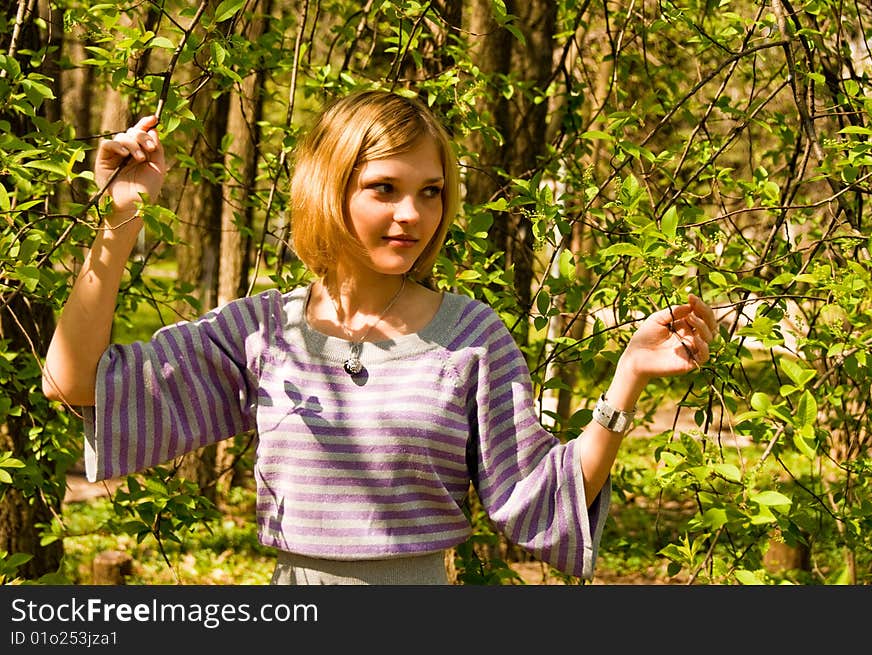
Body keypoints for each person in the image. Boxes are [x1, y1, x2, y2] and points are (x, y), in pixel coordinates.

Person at [42, 89, 718, 585]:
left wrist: (626, 379)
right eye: (384, 188)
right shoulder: (262, 332)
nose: (411, 214)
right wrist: (120, 217)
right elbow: (72, 381)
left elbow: (538, 498)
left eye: (430, 192)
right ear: (329, 190)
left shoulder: (472, 338)